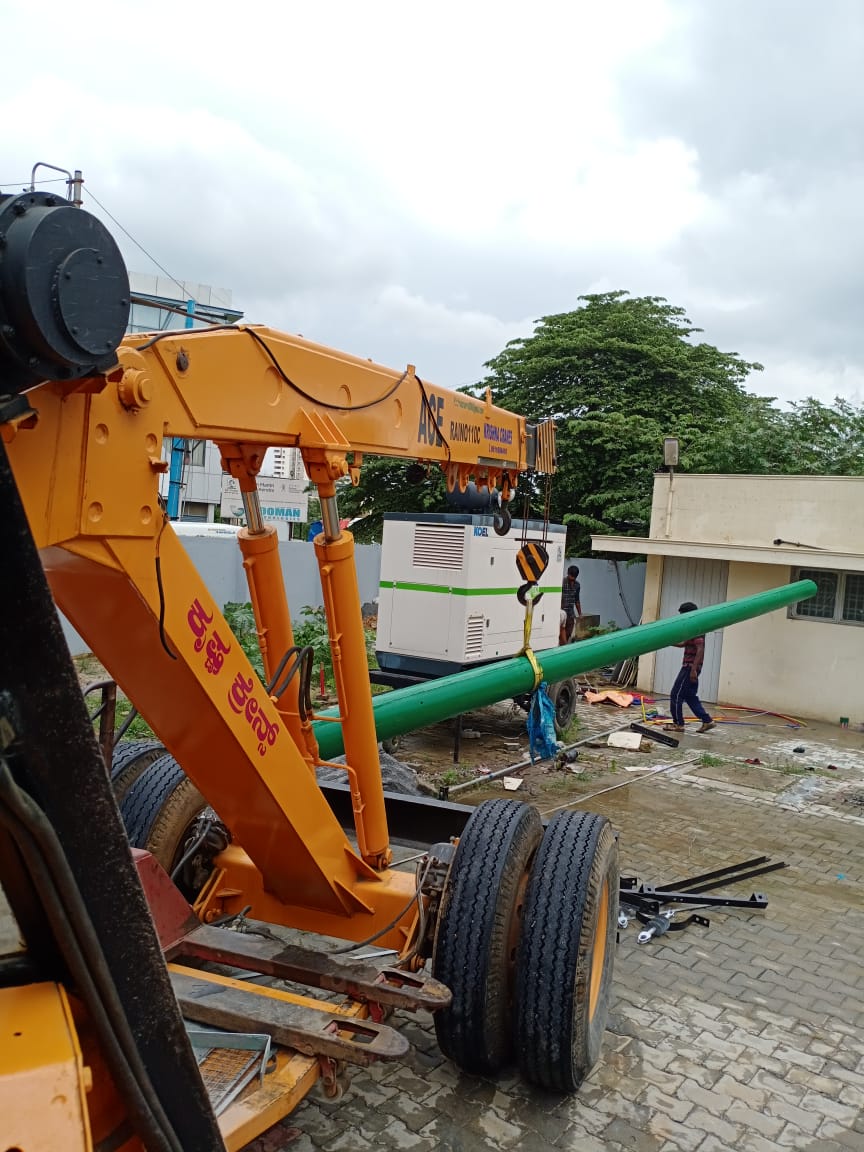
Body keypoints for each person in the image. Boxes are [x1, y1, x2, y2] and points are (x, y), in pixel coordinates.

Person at [665, 602, 716, 733]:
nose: (681, 617)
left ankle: (678, 724)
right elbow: (684, 644)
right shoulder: (693, 627)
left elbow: (700, 649)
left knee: (676, 695)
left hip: (689, 668)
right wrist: (666, 641)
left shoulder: (697, 628)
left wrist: (693, 669)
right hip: (691, 667)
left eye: (682, 614)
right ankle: (707, 721)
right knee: (690, 696)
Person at [559, 565, 583, 644]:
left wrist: (580, 614)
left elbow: (577, 600)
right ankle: (562, 646)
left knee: (568, 633)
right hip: (561, 613)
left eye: (574, 577)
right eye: (571, 577)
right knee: (561, 634)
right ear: (568, 573)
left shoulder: (577, 585)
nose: (572, 579)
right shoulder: (561, 582)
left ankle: (563, 646)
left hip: (570, 614)